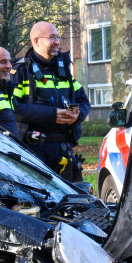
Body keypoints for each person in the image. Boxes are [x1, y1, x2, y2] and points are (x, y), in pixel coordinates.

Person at [12, 21, 91, 180]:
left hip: (63, 150)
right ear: (36, 41)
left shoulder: (64, 70)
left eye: (58, 37)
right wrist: (52, 114)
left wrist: (77, 114)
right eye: (51, 38)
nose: (57, 42)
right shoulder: (21, 72)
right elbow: (14, 109)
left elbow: (84, 102)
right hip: (34, 151)